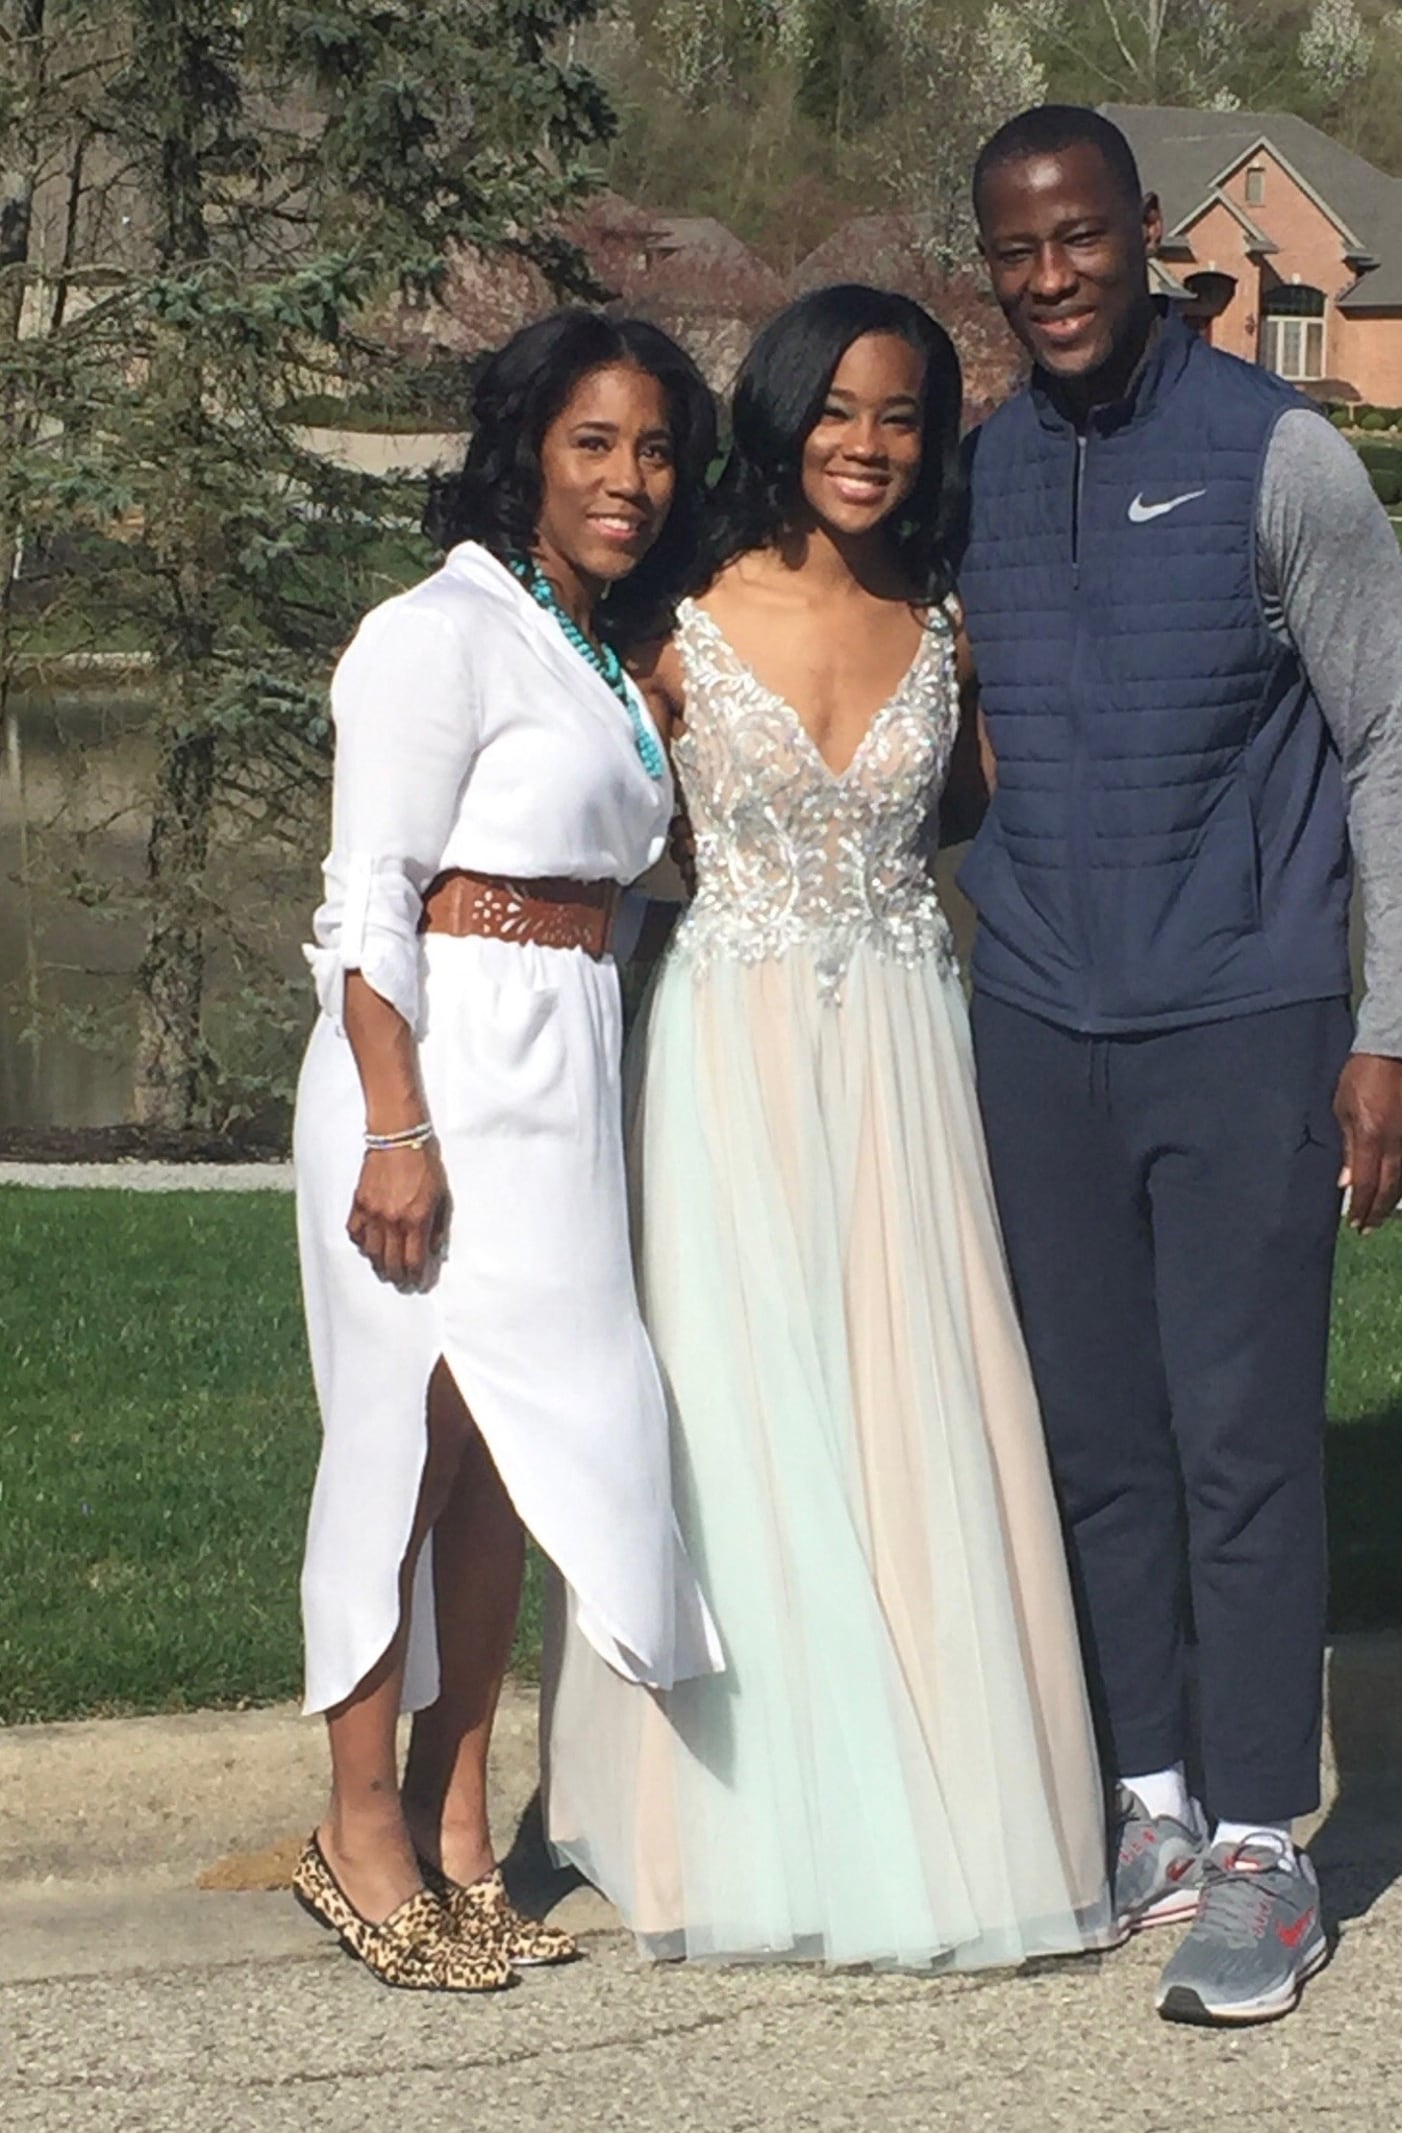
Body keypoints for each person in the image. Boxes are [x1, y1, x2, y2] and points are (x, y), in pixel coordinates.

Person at [540, 284, 1116, 1970]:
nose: (869, 447)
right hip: (732, 1052)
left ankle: (952, 1798)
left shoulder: (945, 622)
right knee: (743, 1414)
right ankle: (728, 1825)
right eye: (842, 410)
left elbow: (984, 808)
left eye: (906, 417)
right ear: (784, 412)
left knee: (918, 1398)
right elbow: (583, 826)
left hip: (909, 1057)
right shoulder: (673, 616)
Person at [960, 107, 1402, 2025]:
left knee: (1242, 1443)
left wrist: (1390, 1025)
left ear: (1149, 236)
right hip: (1038, 1025)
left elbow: (1392, 744)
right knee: (1099, 1440)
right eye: (1017, 250)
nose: (1053, 277)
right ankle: (1148, 1803)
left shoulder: (1282, 455)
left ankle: (1267, 1843)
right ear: (991, 267)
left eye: (1083, 238)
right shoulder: (980, 470)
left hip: (1245, 1022)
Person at [290, 310, 723, 1992]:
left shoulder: (606, 654)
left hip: (564, 1058)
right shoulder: (439, 630)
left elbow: (642, 863)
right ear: (527, 449)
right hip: (437, 1066)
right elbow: (366, 899)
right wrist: (397, 1124)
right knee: (402, 1439)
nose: (630, 478)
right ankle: (355, 1821)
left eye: (657, 450)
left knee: (520, 1445)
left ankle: (460, 1802)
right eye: (595, 442)